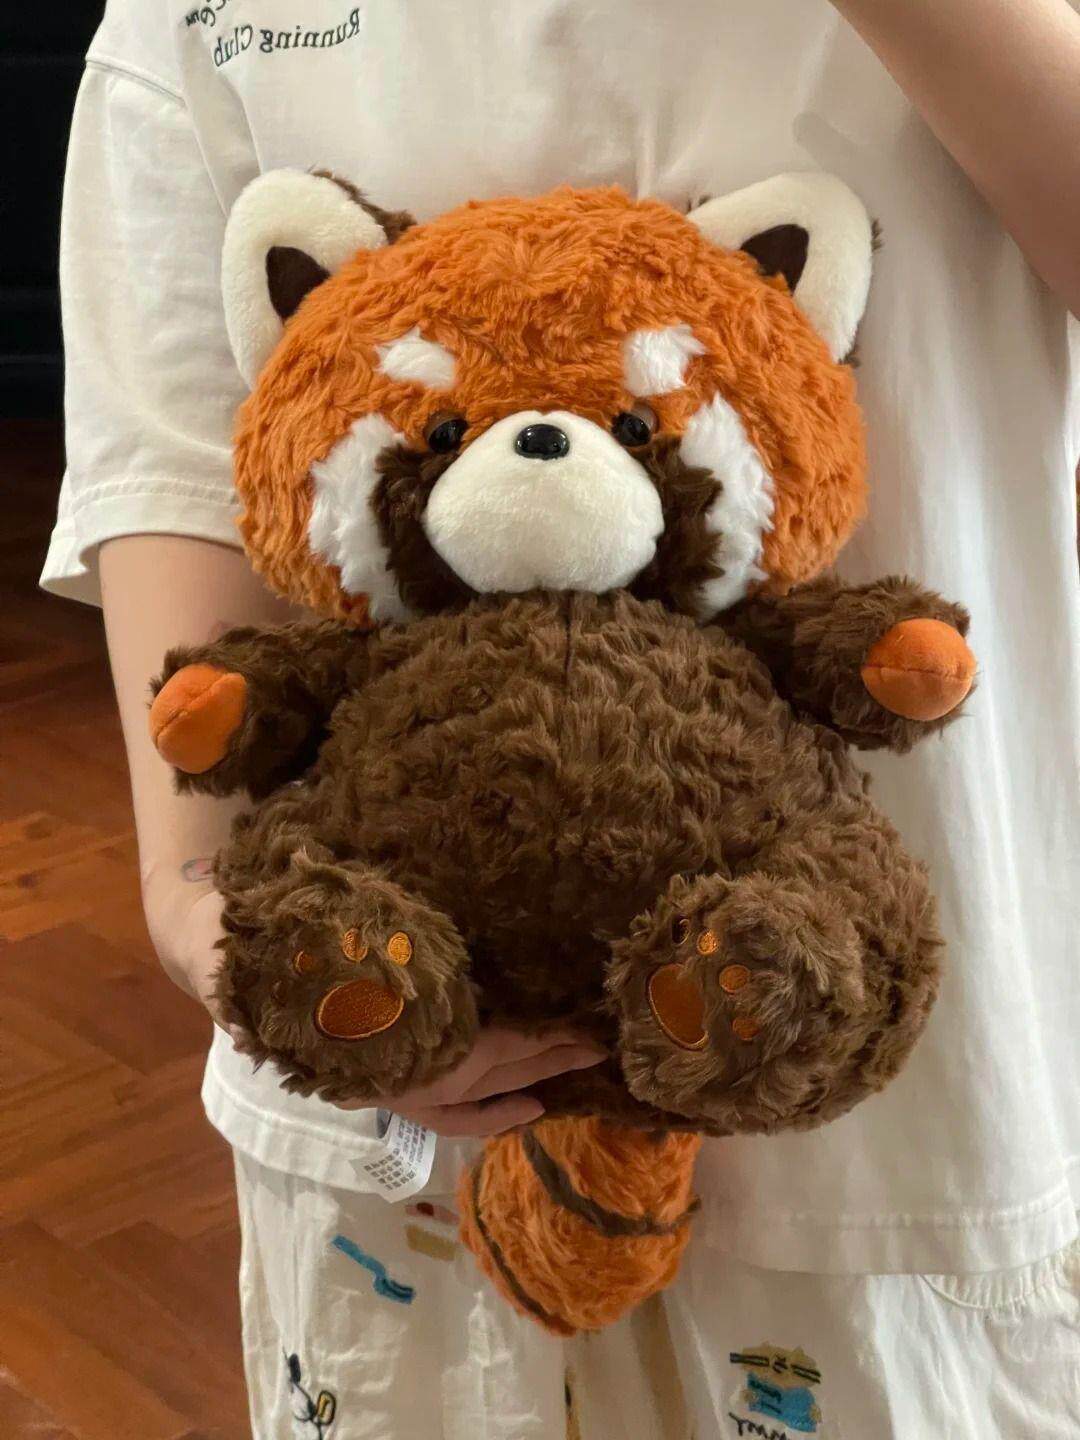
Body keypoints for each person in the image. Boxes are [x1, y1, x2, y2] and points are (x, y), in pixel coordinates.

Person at [44, 1, 1080, 1435]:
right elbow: (172, 456)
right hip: (388, 1054)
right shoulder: (197, 23)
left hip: (879, 1084)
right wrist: (195, 898)